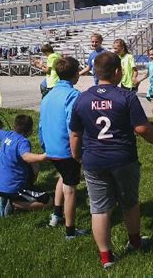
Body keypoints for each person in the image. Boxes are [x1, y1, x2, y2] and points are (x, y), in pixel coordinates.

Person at [69, 51, 153, 268]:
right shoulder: (126, 97)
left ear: (95, 72)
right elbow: (142, 128)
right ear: (117, 72)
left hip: (93, 160)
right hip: (123, 158)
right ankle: (134, 241)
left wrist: (76, 157)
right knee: (129, 202)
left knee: (99, 208)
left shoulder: (82, 98)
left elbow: (75, 134)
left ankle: (106, 257)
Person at [39, 56, 87, 239]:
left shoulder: (48, 94)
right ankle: (70, 230)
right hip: (66, 149)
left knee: (63, 177)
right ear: (76, 75)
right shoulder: (73, 95)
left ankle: (56, 215)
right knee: (71, 188)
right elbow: (72, 125)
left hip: (51, 148)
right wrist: (77, 150)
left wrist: (44, 144)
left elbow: (41, 124)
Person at [0, 115, 52, 218]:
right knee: (49, 201)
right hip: (13, 187)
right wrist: (44, 156)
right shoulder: (23, 142)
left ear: (15, 126)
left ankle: (9, 197)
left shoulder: (7, 135)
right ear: (30, 131)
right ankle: (13, 203)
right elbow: (26, 156)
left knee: (33, 166)